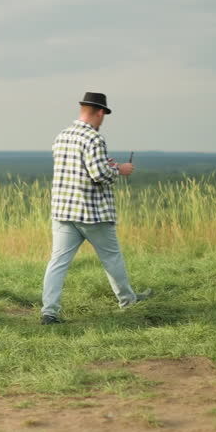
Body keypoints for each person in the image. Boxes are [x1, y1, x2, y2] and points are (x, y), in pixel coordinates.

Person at [41, 91, 151, 324]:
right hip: (92, 213)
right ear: (100, 112)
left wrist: (105, 165)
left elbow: (77, 169)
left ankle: (49, 312)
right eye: (104, 115)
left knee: (57, 262)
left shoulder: (62, 136)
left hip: (63, 211)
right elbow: (99, 174)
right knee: (112, 259)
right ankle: (128, 302)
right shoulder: (93, 138)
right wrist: (119, 169)